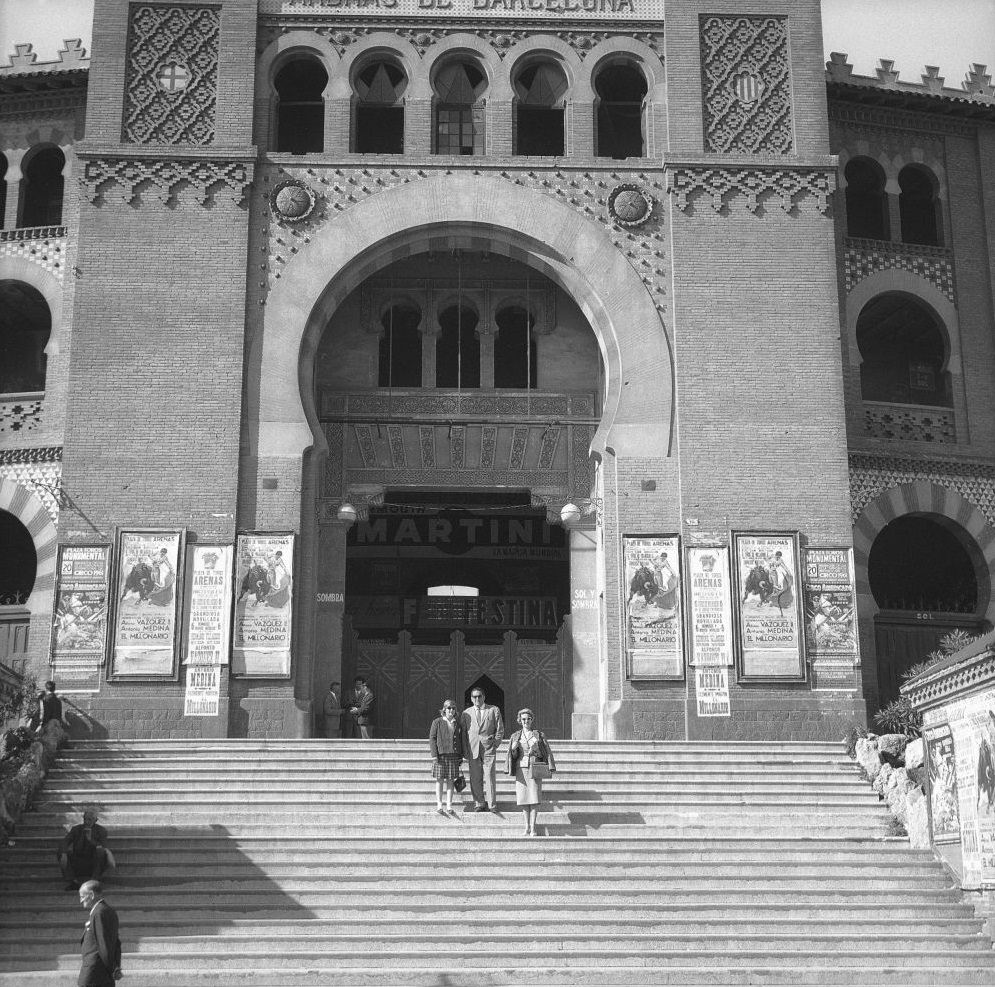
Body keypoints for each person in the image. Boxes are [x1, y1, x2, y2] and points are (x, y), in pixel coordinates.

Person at [506, 707, 556, 837]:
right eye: (523, 719)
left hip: (534, 769)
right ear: (519, 720)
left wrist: (536, 750)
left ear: (532, 720)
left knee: (534, 799)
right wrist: (513, 749)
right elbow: (513, 756)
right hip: (521, 769)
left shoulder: (538, 735)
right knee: (523, 800)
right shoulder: (515, 736)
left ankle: (533, 827)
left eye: (528, 719)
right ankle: (526, 827)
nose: (526, 721)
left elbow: (545, 753)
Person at [462, 687, 504, 812]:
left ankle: (492, 804)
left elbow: (500, 729)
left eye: (479, 696)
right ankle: (479, 803)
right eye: (474, 696)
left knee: (490, 776)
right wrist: (465, 750)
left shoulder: (493, 710)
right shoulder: (466, 713)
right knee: (475, 777)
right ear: (471, 698)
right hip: (472, 748)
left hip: (488, 748)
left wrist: (495, 744)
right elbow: (463, 733)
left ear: (484, 697)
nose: (477, 699)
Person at [78, 880, 122, 985]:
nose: (81, 900)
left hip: (95, 972)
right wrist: (115, 966)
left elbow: (104, 944)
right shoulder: (108, 911)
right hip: (102, 973)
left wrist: (113, 969)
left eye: (82, 896)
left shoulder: (99, 913)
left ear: (92, 895)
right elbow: (116, 943)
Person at [59, 808, 112, 891]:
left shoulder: (101, 831)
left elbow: (104, 847)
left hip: (93, 862)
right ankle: (74, 882)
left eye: (90, 820)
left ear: (95, 820)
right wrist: (63, 853)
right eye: (85, 819)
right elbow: (65, 841)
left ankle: (94, 881)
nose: (86, 822)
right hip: (78, 860)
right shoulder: (76, 829)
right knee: (61, 851)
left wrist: (91, 840)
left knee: (101, 851)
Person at [429, 699, 465, 814]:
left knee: (450, 781)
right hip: (440, 755)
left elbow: (461, 740)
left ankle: (449, 805)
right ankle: (439, 804)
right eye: (449, 708)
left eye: (453, 708)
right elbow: (432, 738)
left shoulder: (457, 723)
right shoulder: (437, 722)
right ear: (444, 709)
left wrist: (461, 755)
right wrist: (434, 755)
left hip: (453, 755)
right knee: (439, 780)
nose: (451, 710)